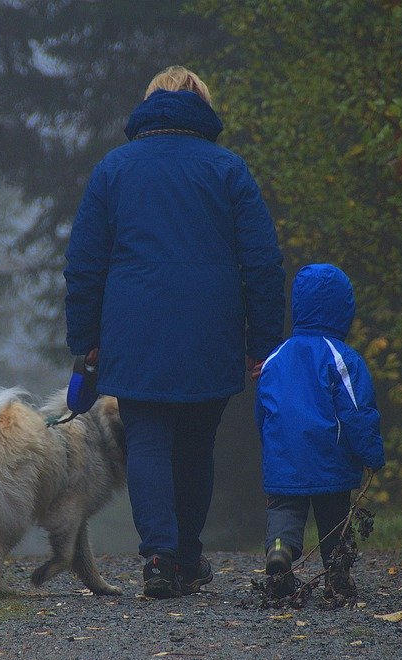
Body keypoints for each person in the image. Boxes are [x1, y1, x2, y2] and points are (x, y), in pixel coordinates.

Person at [64, 66, 286, 599]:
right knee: (195, 443)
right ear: (202, 107)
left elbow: (84, 266)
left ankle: (160, 559)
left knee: (147, 440)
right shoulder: (229, 170)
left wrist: (86, 339)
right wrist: (264, 346)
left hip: (133, 330)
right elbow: (263, 264)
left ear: (148, 106)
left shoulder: (113, 170)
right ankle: (187, 557)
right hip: (211, 330)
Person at [256, 263, 385, 599]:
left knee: (285, 511)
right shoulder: (342, 358)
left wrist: (270, 449)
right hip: (330, 458)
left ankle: (280, 552)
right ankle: (337, 575)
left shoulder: (275, 358)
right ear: (345, 310)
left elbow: (264, 413)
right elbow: (357, 412)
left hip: (284, 456)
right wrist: (371, 454)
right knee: (333, 517)